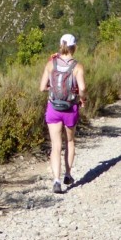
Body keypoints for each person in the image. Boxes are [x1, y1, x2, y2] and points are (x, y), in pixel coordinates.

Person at [39, 33, 87, 194]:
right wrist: (83, 98)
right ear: (74, 47)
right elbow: (82, 88)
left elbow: (42, 87)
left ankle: (56, 181)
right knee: (70, 141)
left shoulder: (50, 64)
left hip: (53, 108)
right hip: (70, 109)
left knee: (56, 146)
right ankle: (68, 174)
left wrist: (51, 88)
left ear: (61, 45)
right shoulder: (77, 66)